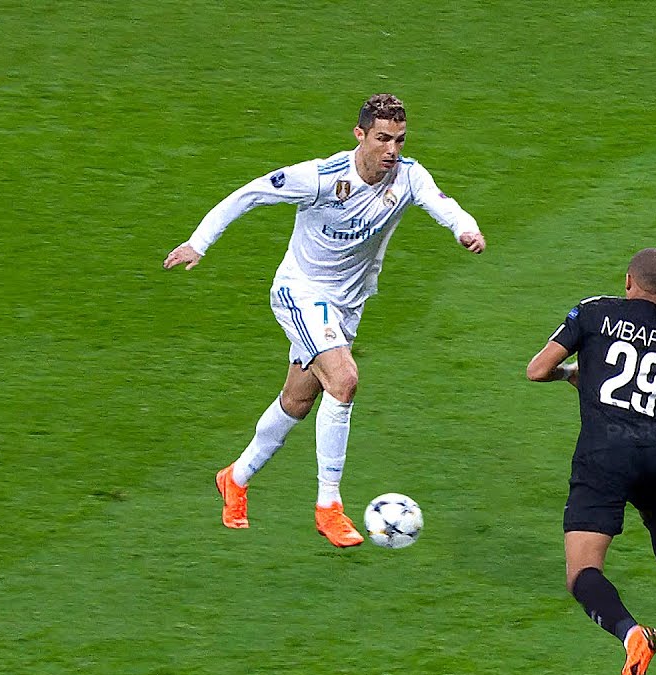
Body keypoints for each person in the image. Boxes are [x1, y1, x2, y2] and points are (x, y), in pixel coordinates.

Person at [164, 93, 486, 546]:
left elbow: (444, 204)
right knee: (344, 379)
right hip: (301, 292)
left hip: (347, 306)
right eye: (382, 139)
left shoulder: (409, 177)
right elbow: (250, 193)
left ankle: (235, 477)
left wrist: (464, 229)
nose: (392, 150)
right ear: (359, 135)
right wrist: (200, 242)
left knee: (297, 400)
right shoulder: (319, 177)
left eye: (399, 139)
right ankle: (328, 506)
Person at [527, 248, 656, 675]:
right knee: (655, 511)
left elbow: (537, 370)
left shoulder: (596, 312)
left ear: (628, 280)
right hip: (654, 450)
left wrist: (575, 373)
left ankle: (632, 635)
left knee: (582, 573)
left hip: (602, 454)